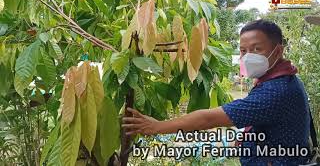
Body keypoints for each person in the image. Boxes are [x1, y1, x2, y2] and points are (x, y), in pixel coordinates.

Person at [122, 19, 311, 165]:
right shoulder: (285, 78)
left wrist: (157, 127)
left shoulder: (276, 90)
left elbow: (209, 119)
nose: (247, 56)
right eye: (243, 50)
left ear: (277, 52)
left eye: (257, 49)